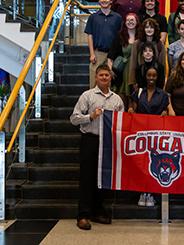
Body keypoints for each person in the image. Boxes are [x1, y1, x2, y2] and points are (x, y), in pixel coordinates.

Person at [69, 64, 124, 230]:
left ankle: (97, 211)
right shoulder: (87, 96)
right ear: (96, 77)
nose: (104, 78)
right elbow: (74, 118)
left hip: (108, 143)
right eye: (101, 75)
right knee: (87, 178)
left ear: (110, 78)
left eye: (107, 75)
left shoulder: (116, 99)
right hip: (90, 140)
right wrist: (91, 117)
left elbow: (121, 121)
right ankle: (83, 215)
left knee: (102, 178)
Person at [129, 66, 175, 207]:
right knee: (141, 164)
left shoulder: (162, 94)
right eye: (149, 75)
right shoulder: (138, 92)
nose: (151, 78)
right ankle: (143, 192)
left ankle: (151, 194)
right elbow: (133, 110)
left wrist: (165, 114)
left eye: (154, 75)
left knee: (153, 163)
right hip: (140, 134)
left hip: (156, 135)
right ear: (145, 76)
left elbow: (170, 113)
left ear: (158, 77)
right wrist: (130, 109)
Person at [85, 0, 122, 88]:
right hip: (98, 53)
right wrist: (92, 53)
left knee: (109, 82)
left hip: (112, 54)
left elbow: (120, 36)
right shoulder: (93, 17)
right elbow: (90, 35)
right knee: (94, 81)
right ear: (99, 1)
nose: (104, 0)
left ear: (111, 1)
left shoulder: (117, 17)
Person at [107, 13, 139, 109]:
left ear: (137, 22)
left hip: (135, 70)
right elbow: (111, 55)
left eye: (132, 20)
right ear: (125, 23)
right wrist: (110, 70)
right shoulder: (119, 36)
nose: (130, 22)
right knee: (121, 97)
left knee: (133, 96)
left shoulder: (141, 37)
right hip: (121, 71)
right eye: (128, 20)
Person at [129, 18, 166, 89]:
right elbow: (133, 64)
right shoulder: (137, 43)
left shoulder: (160, 44)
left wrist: (162, 83)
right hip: (140, 80)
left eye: (152, 27)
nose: (149, 29)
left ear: (155, 29)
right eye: (147, 27)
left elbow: (163, 65)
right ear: (143, 29)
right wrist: (133, 82)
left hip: (156, 82)